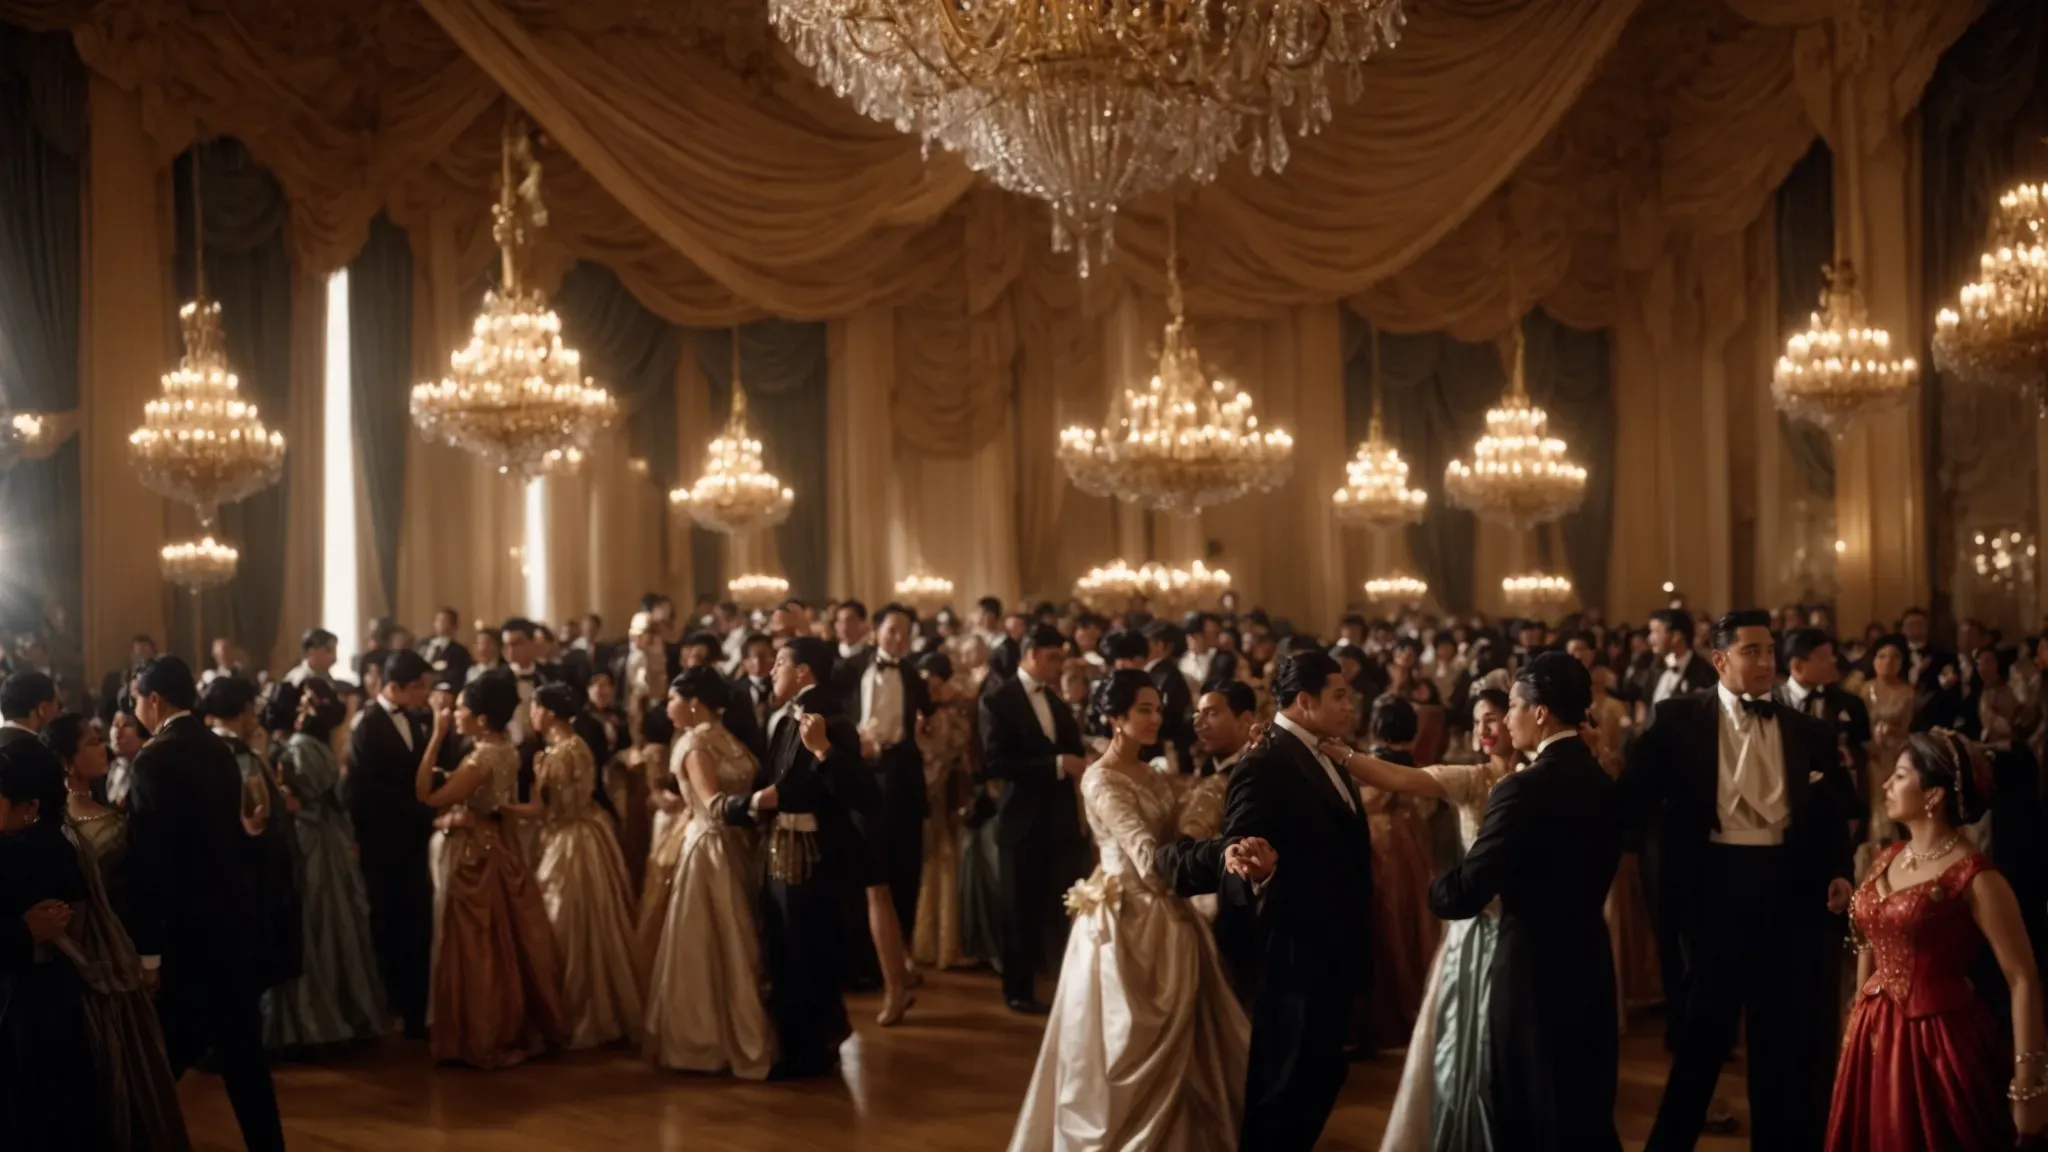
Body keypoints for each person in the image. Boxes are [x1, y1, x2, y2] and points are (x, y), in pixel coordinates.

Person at [1621, 610, 1856, 1152]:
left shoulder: (1808, 731)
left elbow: (1832, 813)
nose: (1766, 662)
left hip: (1789, 894)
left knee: (1780, 1044)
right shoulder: (1677, 719)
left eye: (1769, 650)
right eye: (1752, 651)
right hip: (1713, 893)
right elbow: (1631, 800)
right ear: (1719, 660)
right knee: (1702, 1041)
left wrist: (1840, 871)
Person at [1008, 670, 1263, 1150]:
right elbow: (1147, 857)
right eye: (1144, 710)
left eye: (1158, 709)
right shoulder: (1101, 780)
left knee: (1193, 1045)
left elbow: (1184, 819)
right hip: (1126, 923)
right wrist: (1204, 853)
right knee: (1122, 1044)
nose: (1156, 718)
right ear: (1115, 718)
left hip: (1169, 915)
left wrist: (1229, 777)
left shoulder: (1155, 773)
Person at [1155, 650, 1373, 1152]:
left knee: (1320, 1075)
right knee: (1282, 1088)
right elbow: (1240, 852)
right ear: (1305, 701)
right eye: (1339, 696)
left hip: (1335, 948)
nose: (1349, 705)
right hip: (1296, 950)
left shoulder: (1330, 751)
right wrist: (1259, 873)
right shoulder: (1265, 763)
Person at [1421, 653, 1622, 1152]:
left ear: (1540, 712)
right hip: (1591, 956)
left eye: (1512, 706)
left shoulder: (1521, 788)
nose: (1508, 718)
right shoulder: (1602, 781)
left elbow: (1470, 888)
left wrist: (1432, 889)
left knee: (1529, 1101)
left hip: (1532, 964)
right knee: (1584, 1102)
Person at [1826, 730, 2047, 1149]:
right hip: (1870, 1038)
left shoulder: (1976, 877)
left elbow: (2022, 977)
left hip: (1936, 1044)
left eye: (1900, 776)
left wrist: (2028, 1082)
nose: (1886, 784)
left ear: (1933, 795)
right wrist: (1855, 1015)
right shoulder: (1887, 857)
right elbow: (1869, 938)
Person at [1322, 688, 1518, 1151]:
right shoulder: (1472, 779)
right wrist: (1340, 753)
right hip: (1477, 927)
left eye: (1492, 718)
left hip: (1525, 926)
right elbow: (1400, 778)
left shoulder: (1538, 777)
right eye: (1477, 722)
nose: (1483, 730)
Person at [126, 655, 285, 1151]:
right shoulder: (218, 748)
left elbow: (151, 860)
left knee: (161, 1061)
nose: (133, 709)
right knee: (244, 1061)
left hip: (185, 935)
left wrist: (147, 952)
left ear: (154, 700)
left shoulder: (154, 758)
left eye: (135, 700)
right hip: (230, 926)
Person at [719, 636, 876, 1077]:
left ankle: (811, 1049)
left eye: (780, 663)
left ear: (803, 671)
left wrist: (734, 807)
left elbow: (859, 794)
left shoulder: (829, 722)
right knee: (786, 947)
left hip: (812, 857)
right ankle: (801, 1043)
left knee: (805, 949)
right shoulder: (787, 718)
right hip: (782, 848)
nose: (771, 670)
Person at [414, 673, 567, 1068]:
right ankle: (506, 1022)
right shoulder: (507, 751)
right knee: (504, 940)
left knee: (476, 943)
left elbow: (426, 794)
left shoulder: (480, 759)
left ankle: (481, 1031)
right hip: (499, 844)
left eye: (461, 709)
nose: (455, 714)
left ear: (481, 719)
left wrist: (437, 734)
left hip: (473, 855)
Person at [643, 667, 773, 1077]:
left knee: (742, 939)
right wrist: (765, 801)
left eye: (672, 699)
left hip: (737, 846)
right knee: (719, 941)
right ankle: (707, 1037)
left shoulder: (720, 738)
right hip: (711, 850)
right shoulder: (693, 744)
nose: (667, 707)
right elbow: (714, 807)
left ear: (694, 702)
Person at [263, 677, 387, 1049]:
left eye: (309, 704)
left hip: (311, 841)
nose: (304, 710)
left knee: (315, 924)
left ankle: (315, 1018)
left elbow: (308, 797)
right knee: (329, 923)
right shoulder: (309, 745)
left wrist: (291, 801)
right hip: (322, 839)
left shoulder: (298, 747)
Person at [978, 625, 1090, 1014]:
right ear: (1030, 654)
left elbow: (1072, 748)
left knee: (1058, 906)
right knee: (1019, 910)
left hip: (1058, 819)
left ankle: (1064, 984)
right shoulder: (998, 699)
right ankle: (1018, 990)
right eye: (1053, 658)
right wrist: (1056, 765)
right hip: (1021, 819)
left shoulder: (1055, 700)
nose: (1059, 666)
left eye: (1061, 658)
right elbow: (995, 763)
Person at [528, 682, 643, 1049]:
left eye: (534, 707)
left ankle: (569, 1010)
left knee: (563, 924)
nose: (532, 715)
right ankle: (600, 1005)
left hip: (567, 840)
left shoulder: (557, 755)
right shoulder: (577, 745)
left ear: (547, 713)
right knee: (597, 922)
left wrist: (532, 784)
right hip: (591, 834)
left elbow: (550, 811)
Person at [832, 602, 925, 1022]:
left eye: (905, 632)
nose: (899, 639)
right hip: (862, 778)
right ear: (875, 631)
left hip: (903, 781)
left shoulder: (912, 674)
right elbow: (830, 722)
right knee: (873, 882)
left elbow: (923, 717)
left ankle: (901, 962)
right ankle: (889, 981)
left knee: (905, 876)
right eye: (892, 631)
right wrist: (854, 743)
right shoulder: (847, 671)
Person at [347, 649, 436, 1039]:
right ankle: (395, 1006)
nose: (425, 695)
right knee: (388, 922)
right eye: (419, 688)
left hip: (415, 841)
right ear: (396, 687)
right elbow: (363, 791)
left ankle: (417, 1009)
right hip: (383, 844)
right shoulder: (367, 725)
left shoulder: (416, 721)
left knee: (417, 921)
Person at [1358, 694, 1441, 1052]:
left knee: (1383, 927)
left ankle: (1383, 1020)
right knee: (1411, 926)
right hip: (1412, 848)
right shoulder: (1414, 765)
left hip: (1380, 848)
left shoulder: (1374, 764)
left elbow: (1368, 802)